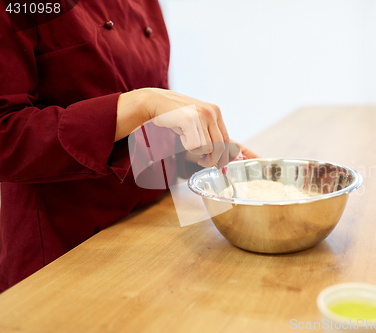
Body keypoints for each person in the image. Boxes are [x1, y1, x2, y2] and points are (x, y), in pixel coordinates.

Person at [0, 0, 257, 292]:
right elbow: (6, 137)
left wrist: (195, 147)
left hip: (152, 230)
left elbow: (144, 121)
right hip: (62, 251)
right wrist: (140, 103)